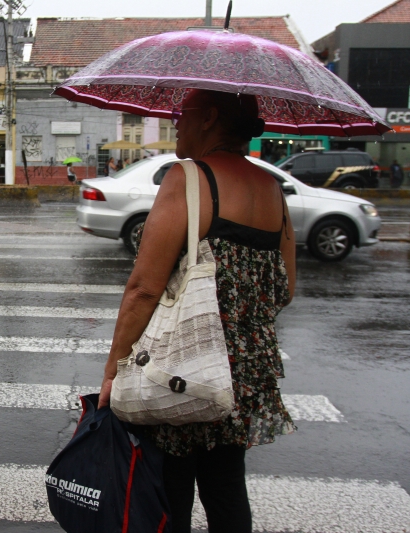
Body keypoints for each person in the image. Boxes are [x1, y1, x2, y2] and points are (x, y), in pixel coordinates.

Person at [98, 89, 297, 533]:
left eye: (180, 114)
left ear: (207, 118)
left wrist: (113, 370)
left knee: (169, 492)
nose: (176, 122)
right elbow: (285, 289)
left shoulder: (189, 177)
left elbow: (144, 290)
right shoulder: (272, 189)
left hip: (181, 365)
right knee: (226, 491)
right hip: (241, 374)